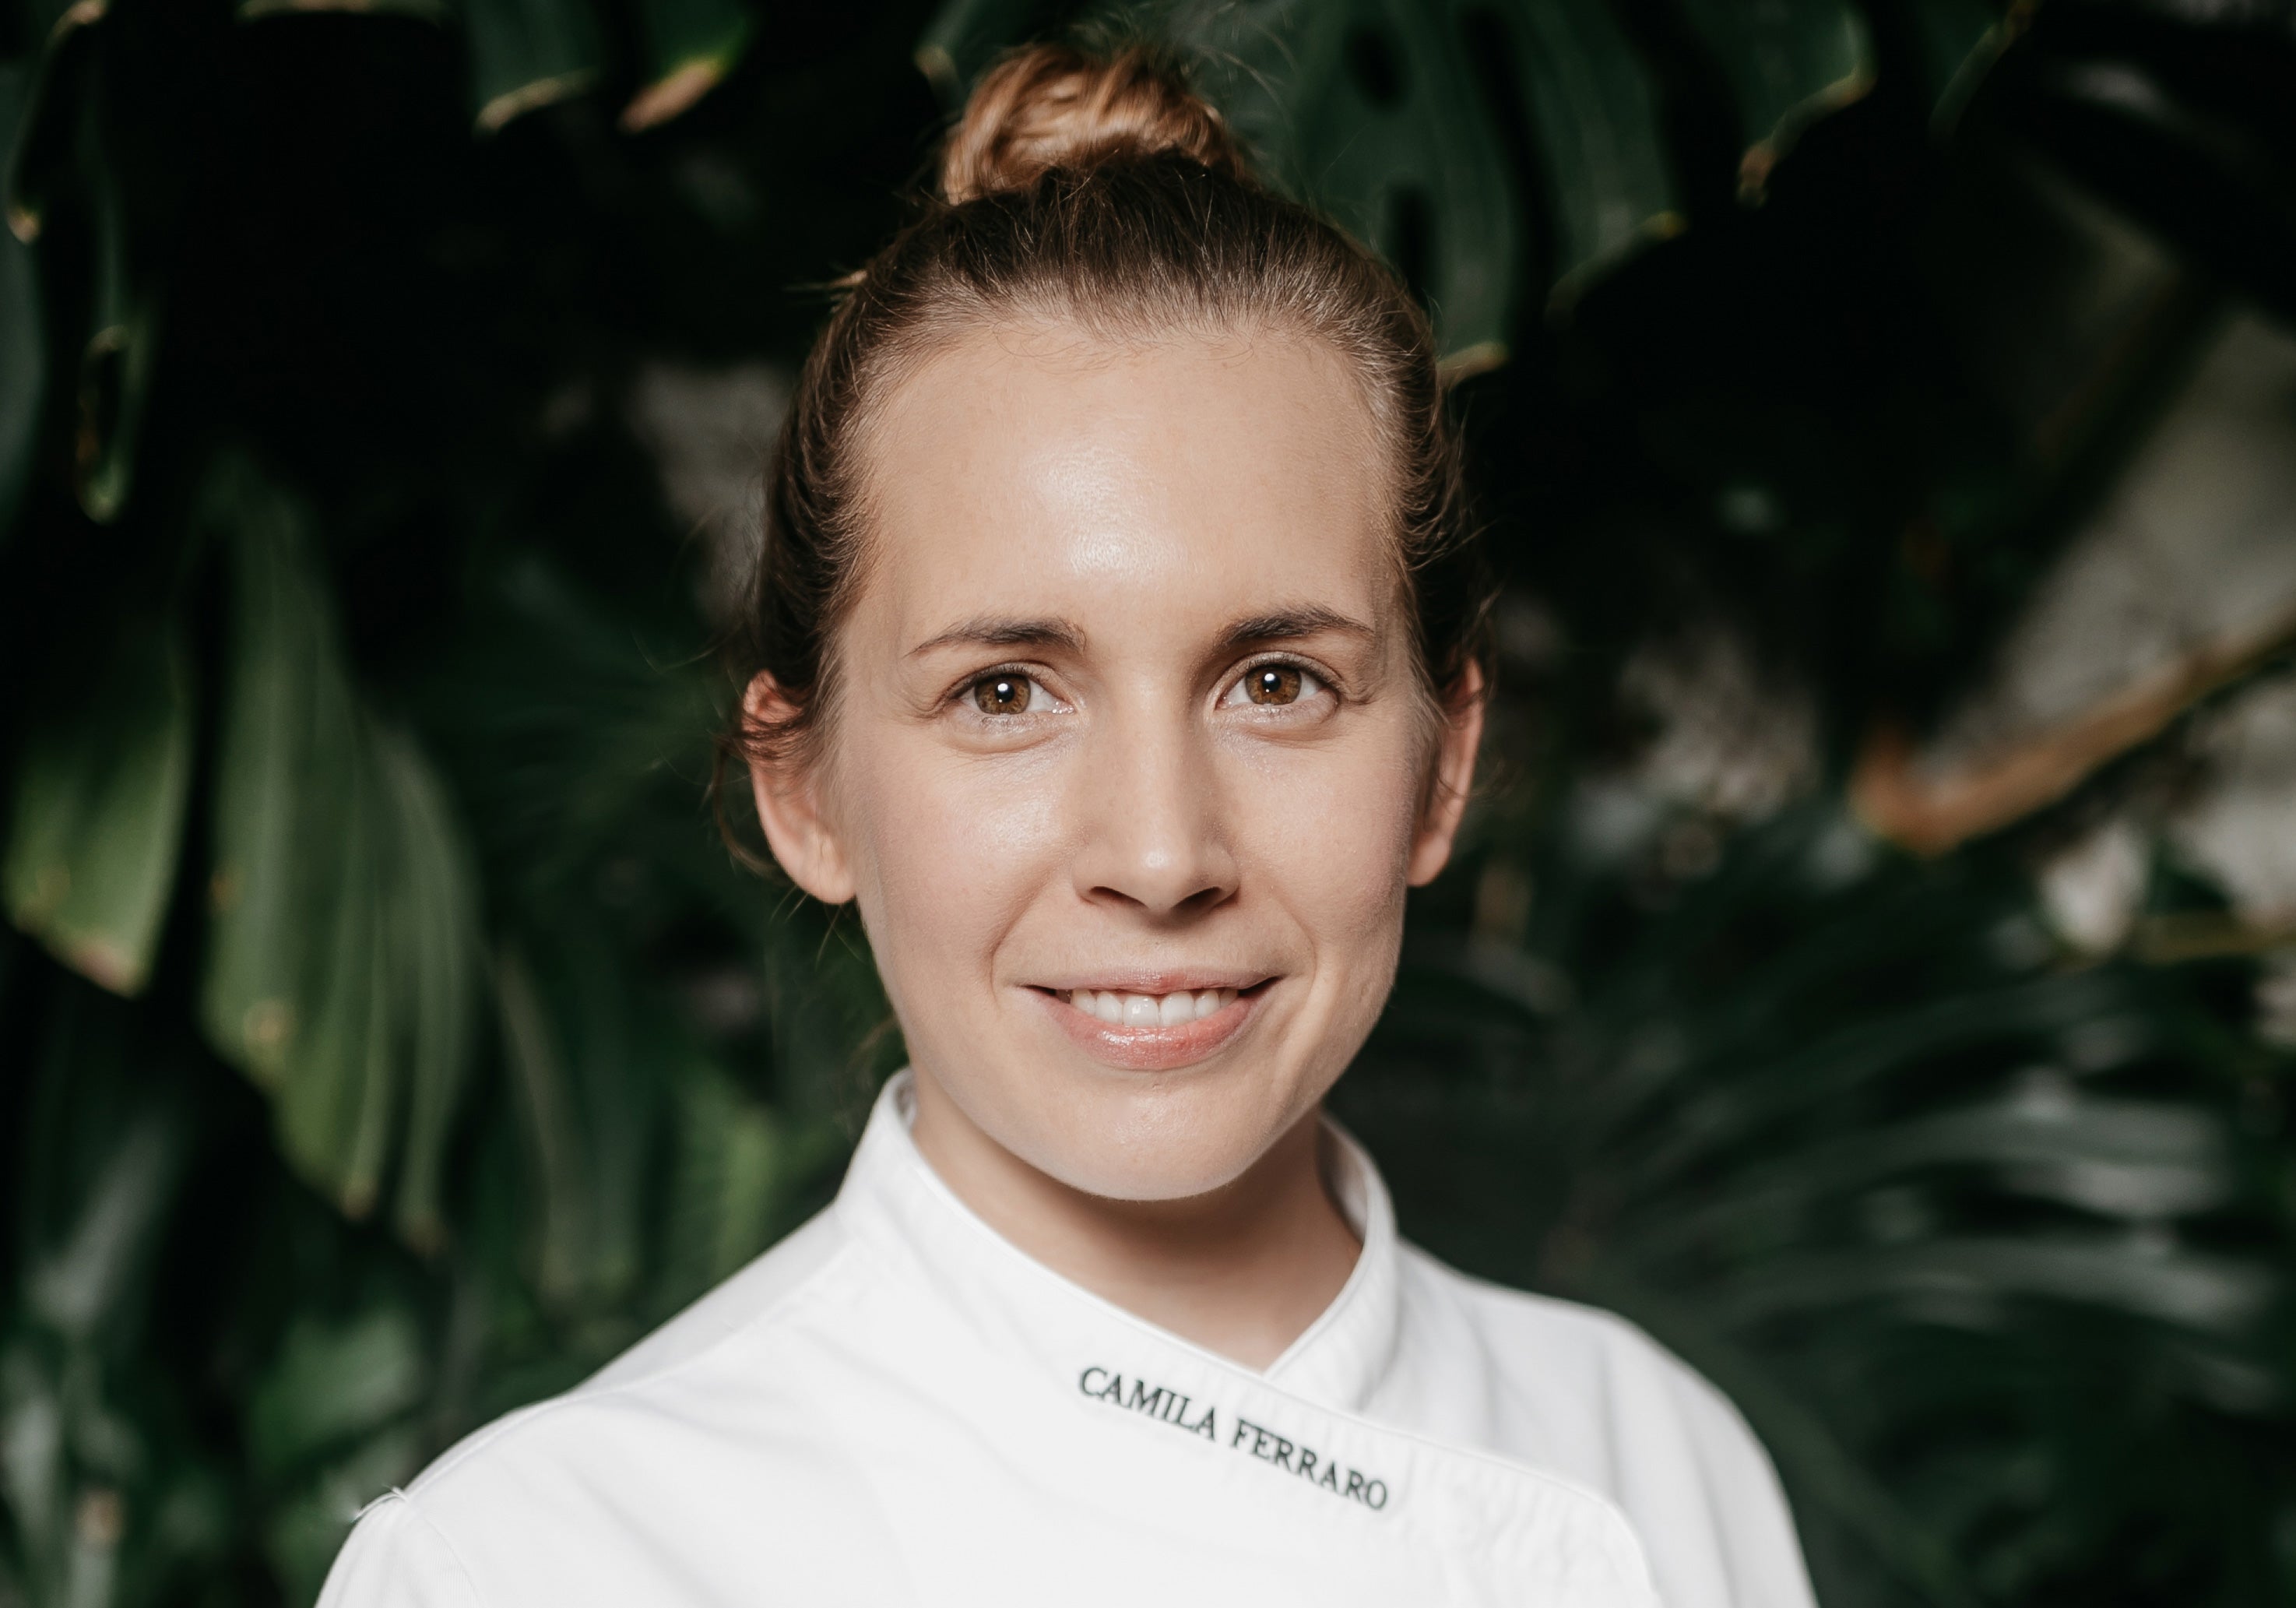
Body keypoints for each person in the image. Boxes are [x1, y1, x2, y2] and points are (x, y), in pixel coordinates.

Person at [318, 42, 1816, 1608]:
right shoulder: (540, 1560)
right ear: (804, 788)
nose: (1159, 856)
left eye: (1278, 682)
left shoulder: (1654, 1456)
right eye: (1005, 693)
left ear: (1442, 769)